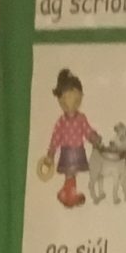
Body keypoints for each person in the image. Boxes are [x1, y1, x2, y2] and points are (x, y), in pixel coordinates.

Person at [39, 67, 100, 210]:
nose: (72, 103)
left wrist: (94, 138)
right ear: (61, 101)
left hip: (77, 151)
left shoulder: (81, 118)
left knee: (71, 174)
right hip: (67, 152)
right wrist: (51, 153)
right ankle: (69, 194)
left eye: (77, 99)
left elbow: (87, 130)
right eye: (66, 99)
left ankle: (66, 193)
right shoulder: (61, 122)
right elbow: (56, 138)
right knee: (70, 174)